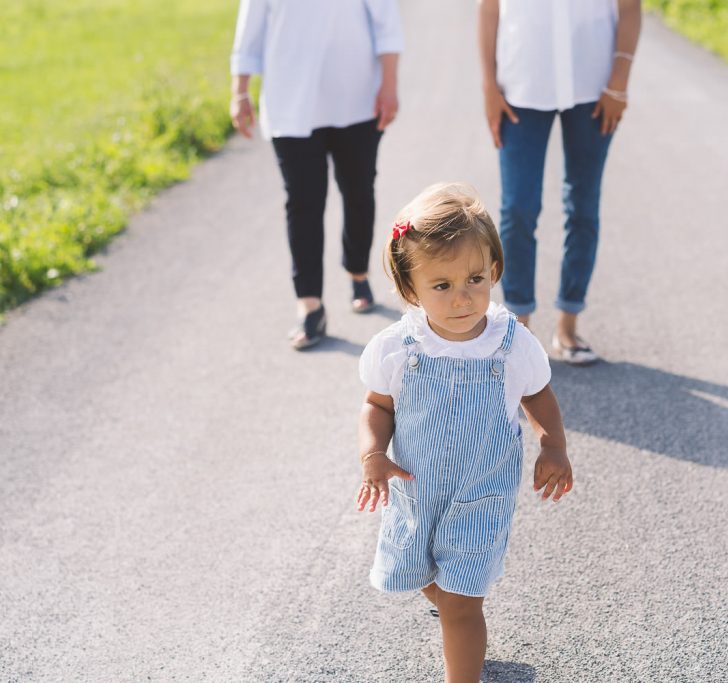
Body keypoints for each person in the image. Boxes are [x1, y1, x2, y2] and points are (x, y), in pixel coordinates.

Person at [355, 183, 574, 682]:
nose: (463, 298)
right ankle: (457, 612)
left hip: (482, 491)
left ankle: (462, 657)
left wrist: (553, 443)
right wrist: (373, 454)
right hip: (418, 488)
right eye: (442, 286)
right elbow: (376, 405)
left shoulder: (509, 343)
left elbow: (537, 393)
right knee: (428, 579)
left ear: (494, 271)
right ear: (411, 290)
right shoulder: (397, 348)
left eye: (475, 278)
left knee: (459, 601)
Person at [229, 0, 403, 349]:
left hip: (357, 100)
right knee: (303, 202)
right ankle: (310, 306)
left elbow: (387, 24)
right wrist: (240, 91)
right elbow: (250, 32)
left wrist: (389, 85)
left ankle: (358, 272)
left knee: (357, 191)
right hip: (290, 105)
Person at [478, 0, 642, 365]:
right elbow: (489, 8)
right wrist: (489, 85)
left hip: (594, 87)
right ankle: (519, 330)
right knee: (518, 208)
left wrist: (619, 82)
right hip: (520, 88)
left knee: (583, 206)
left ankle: (568, 326)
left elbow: (630, 7)